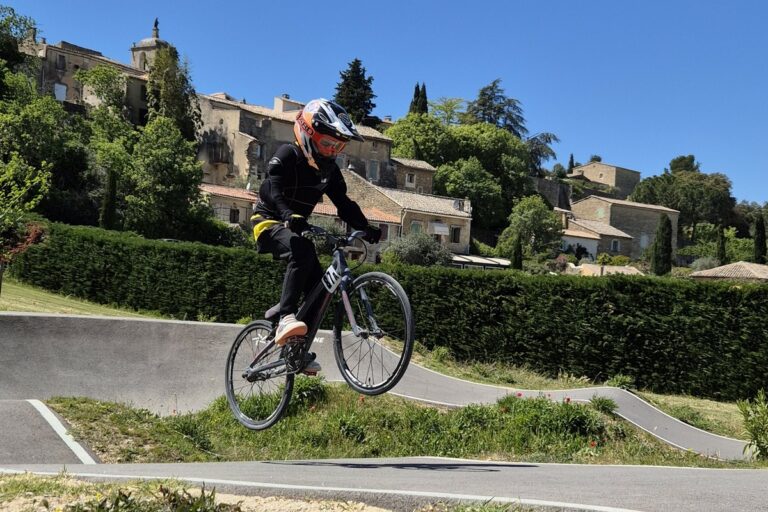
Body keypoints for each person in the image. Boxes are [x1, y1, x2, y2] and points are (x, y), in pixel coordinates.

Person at [251, 98, 382, 353]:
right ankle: (286, 315)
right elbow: (274, 190)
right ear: (308, 133)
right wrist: (288, 213)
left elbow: (343, 204)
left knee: (320, 291)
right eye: (328, 144)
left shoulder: (329, 172)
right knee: (303, 250)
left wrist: (366, 228)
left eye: (338, 146)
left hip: (295, 228)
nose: (332, 151)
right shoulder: (288, 154)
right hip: (268, 222)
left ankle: (297, 351)